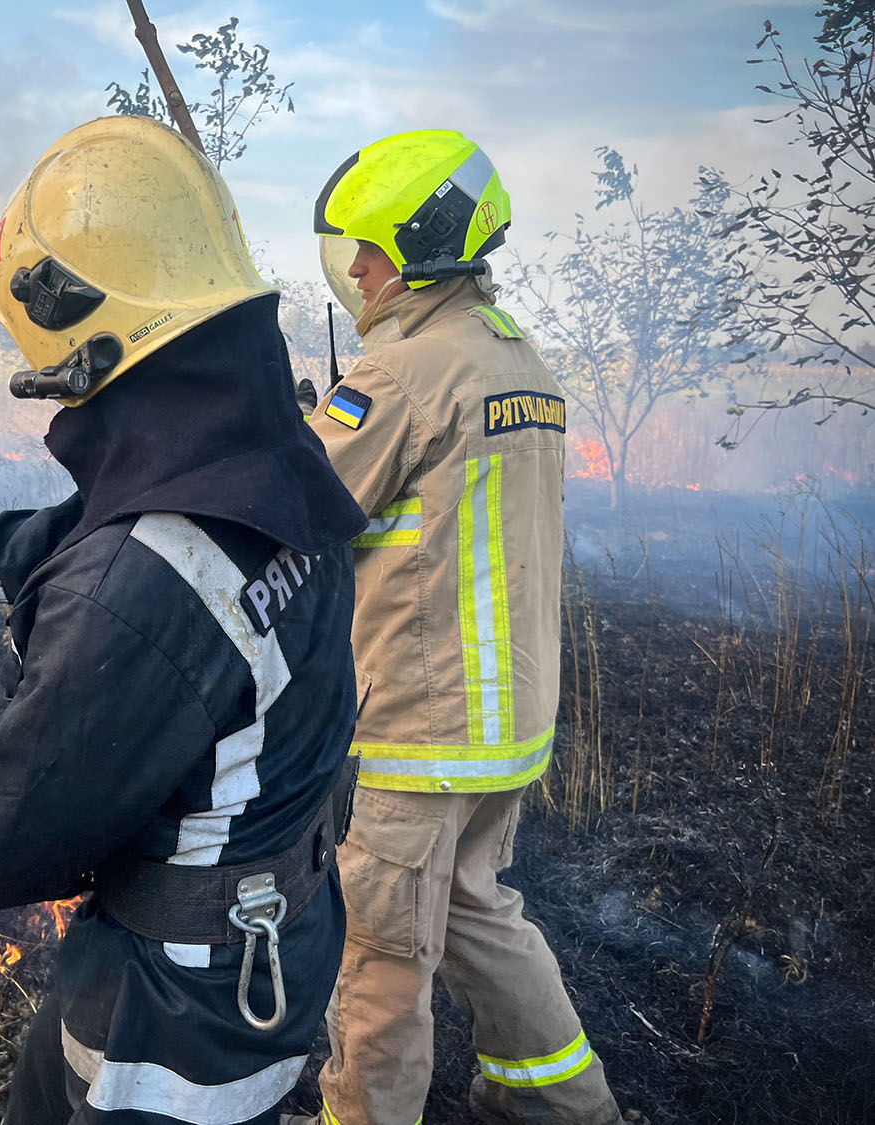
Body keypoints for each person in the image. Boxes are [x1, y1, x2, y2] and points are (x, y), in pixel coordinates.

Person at [0, 116, 369, 1125]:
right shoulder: (263, 467)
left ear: (90, 337)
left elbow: (14, 820)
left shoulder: (149, 582)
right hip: (264, 937)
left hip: (174, 1010)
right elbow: (50, 552)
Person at [300, 131, 627, 1125]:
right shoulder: (515, 357)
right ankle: (565, 1106)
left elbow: (300, 507)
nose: (354, 267)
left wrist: (292, 423)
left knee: (380, 963)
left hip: (413, 734)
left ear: (420, 245)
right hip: (504, 731)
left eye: (367, 247)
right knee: (479, 913)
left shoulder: (398, 379)